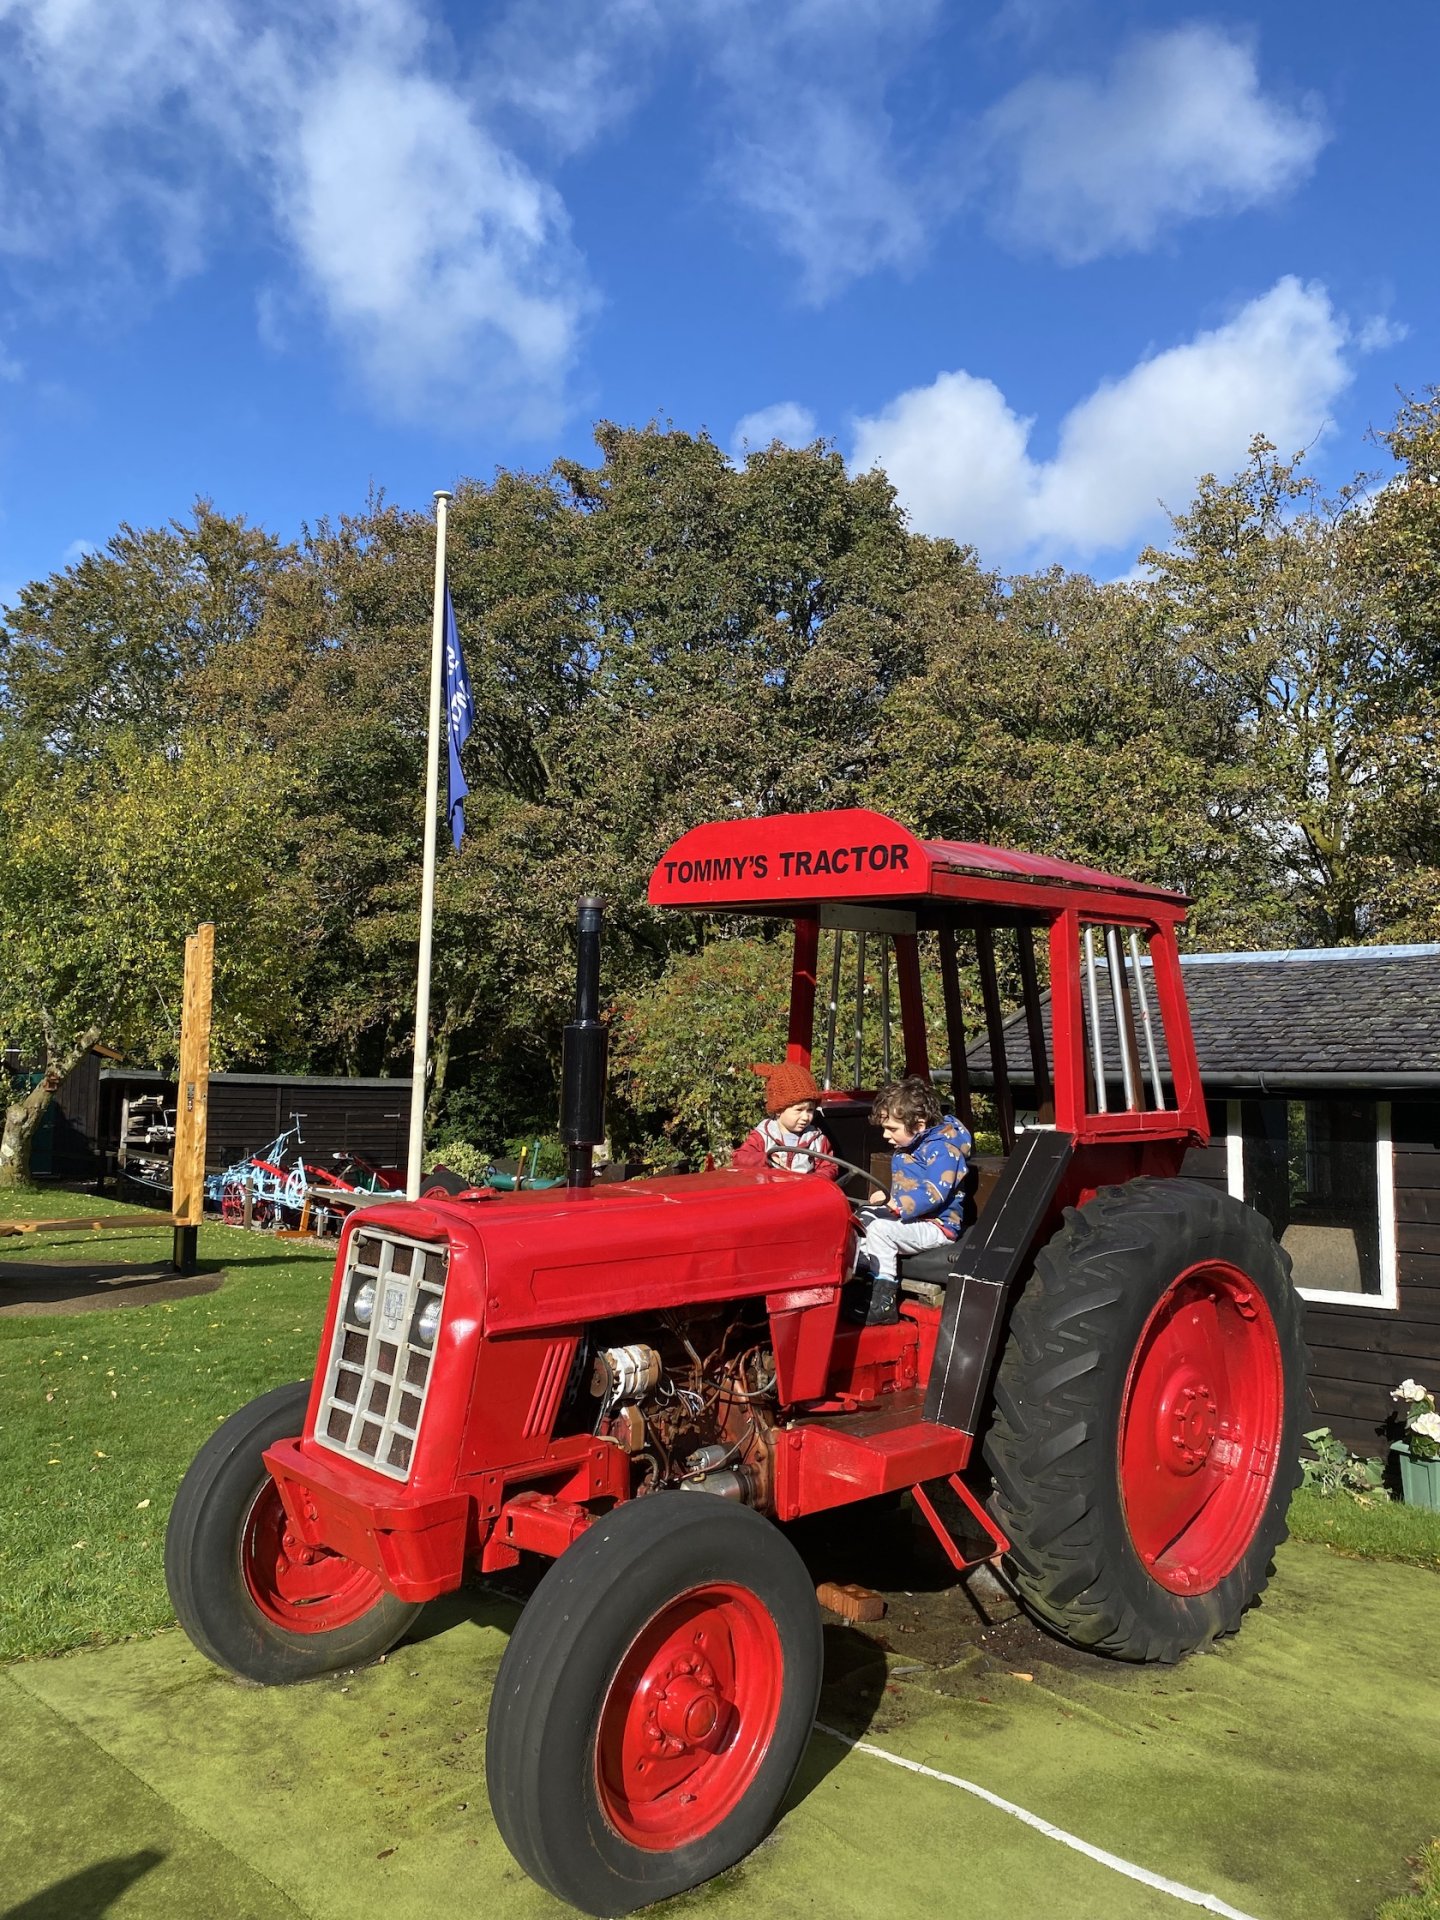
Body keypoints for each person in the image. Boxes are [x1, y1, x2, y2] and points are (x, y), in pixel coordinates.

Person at [850, 1077, 972, 1324]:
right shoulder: (913, 1144)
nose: (885, 1135)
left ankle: (882, 1300)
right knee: (859, 1220)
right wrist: (888, 1198)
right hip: (914, 1217)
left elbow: (934, 1192)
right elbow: (909, 1183)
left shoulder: (944, 1149)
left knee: (880, 1229)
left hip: (936, 1225)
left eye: (892, 1128)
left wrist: (900, 1204)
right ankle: (857, 1279)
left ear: (918, 1125)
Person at [731, 1063, 843, 1179]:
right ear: (779, 1110)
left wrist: (815, 1180)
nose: (806, 1117)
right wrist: (766, 1159)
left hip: (804, 1192)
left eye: (810, 1110)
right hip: (770, 1192)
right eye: (799, 1110)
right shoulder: (763, 1136)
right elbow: (740, 1157)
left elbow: (829, 1167)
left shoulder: (817, 1139)